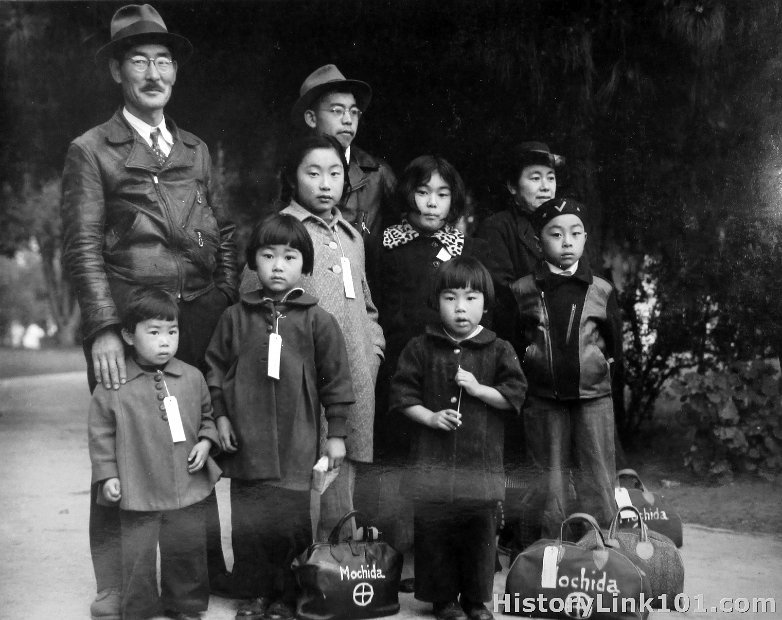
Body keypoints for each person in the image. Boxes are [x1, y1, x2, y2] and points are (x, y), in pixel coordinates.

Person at [60, 5, 238, 616]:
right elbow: (83, 248)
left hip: (198, 319)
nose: (154, 72)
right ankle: (116, 585)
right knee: (123, 452)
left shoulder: (196, 150)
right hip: (131, 326)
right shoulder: (91, 150)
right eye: (139, 60)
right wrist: (106, 330)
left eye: (164, 60)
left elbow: (224, 231)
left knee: (193, 447)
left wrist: (227, 301)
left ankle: (199, 576)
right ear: (117, 71)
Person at [205, 213, 355, 620]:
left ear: (303, 266)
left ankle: (287, 597)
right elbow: (214, 373)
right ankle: (253, 593)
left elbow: (337, 383)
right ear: (253, 262)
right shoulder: (235, 318)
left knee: (291, 526)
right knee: (249, 525)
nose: (277, 265)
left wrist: (336, 435)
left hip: (296, 444)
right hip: (246, 444)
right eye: (267, 255)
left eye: (289, 257)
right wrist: (219, 419)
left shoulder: (318, 321)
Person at [239, 134, 384, 541]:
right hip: (296, 383)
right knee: (302, 475)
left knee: (343, 467)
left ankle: (339, 571)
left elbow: (368, 306)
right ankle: (304, 570)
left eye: (334, 173)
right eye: (313, 173)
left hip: (352, 377)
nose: (325, 183)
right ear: (292, 177)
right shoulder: (280, 233)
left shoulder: (353, 238)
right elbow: (252, 306)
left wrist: (372, 350)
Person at [389, 257, 526, 620]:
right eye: (450, 298)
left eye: (471, 298)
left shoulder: (499, 348)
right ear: (437, 302)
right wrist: (431, 417)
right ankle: (443, 599)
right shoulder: (421, 347)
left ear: (486, 302)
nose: (460, 308)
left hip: (479, 467)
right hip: (431, 466)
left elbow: (513, 397)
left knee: (479, 536)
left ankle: (476, 600)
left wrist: (480, 389)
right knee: (435, 534)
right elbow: (403, 397)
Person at [371, 156, 490, 549]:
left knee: (436, 453)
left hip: (443, 366)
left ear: (453, 200)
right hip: (395, 364)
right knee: (395, 452)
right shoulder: (382, 245)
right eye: (423, 193)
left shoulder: (464, 249)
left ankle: (433, 552)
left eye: (442, 194)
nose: (432, 203)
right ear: (408, 195)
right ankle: (391, 549)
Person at [88, 288, 221, 620]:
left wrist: (206, 442)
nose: (165, 341)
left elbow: (208, 416)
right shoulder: (112, 387)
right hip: (138, 489)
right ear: (129, 336)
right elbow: (101, 435)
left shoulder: (192, 378)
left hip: (185, 485)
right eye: (154, 332)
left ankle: (186, 604)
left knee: (186, 549)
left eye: (172, 332)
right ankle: (140, 607)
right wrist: (108, 476)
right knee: (137, 554)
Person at [510, 197, 623, 541]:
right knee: (550, 481)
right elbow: (515, 345)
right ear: (538, 242)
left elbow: (614, 345)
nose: (567, 241)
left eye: (575, 233)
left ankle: (603, 553)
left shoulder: (601, 290)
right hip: (544, 401)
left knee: (598, 478)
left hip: (594, 399)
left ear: (585, 238)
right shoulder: (523, 290)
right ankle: (546, 559)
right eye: (556, 234)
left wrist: (604, 372)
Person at [292, 64, 397, 287]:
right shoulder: (290, 172)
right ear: (311, 118)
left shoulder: (378, 174)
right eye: (337, 111)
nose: (348, 120)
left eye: (354, 111)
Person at [475, 141, 563, 353]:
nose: (545, 186)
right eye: (535, 178)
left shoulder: (566, 228)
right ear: (512, 186)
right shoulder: (497, 228)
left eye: (551, 178)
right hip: (517, 346)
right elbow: (503, 294)